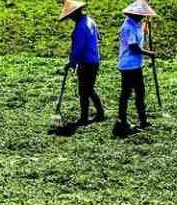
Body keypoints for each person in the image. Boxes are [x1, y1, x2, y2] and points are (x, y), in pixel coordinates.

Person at [113, 0, 157, 137]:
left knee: (140, 93)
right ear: (134, 14)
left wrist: (145, 26)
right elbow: (133, 47)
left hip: (136, 65)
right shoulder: (128, 27)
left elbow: (141, 33)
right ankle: (122, 121)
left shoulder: (137, 24)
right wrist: (149, 53)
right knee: (126, 94)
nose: (143, 17)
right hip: (128, 66)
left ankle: (143, 120)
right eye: (141, 15)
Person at [59, 0, 105, 126]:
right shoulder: (90, 21)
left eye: (71, 16)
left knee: (84, 91)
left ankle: (85, 117)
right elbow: (98, 37)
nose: (70, 19)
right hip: (94, 59)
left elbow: (78, 49)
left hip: (87, 62)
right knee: (88, 89)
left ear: (75, 13)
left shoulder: (80, 27)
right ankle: (99, 113)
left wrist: (71, 63)